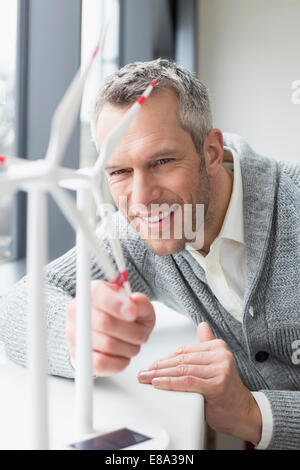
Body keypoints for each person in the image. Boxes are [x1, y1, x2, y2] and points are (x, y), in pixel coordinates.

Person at [0, 59, 299, 450]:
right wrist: (76, 336)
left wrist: (254, 414)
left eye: (161, 162)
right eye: (119, 172)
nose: (141, 200)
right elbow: (20, 304)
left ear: (210, 152)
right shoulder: (137, 237)